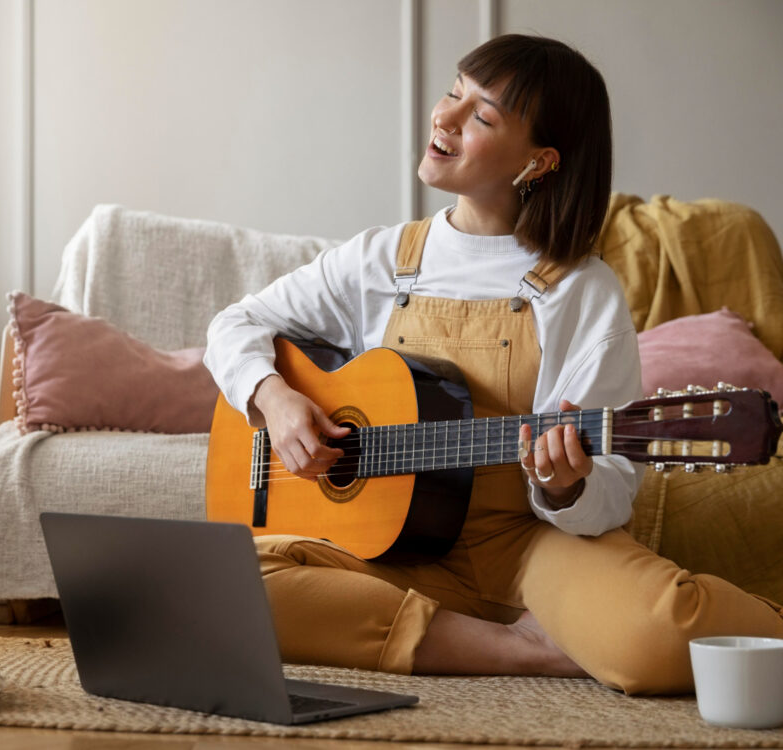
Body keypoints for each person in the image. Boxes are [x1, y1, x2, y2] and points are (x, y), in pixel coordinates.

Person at [203, 34, 783, 695]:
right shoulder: (382, 258)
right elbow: (235, 324)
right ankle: (520, 650)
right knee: (221, 588)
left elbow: (614, 488)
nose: (444, 117)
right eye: (454, 92)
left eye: (480, 115)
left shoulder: (580, 290)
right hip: (392, 549)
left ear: (539, 162)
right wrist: (273, 399)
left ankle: (469, 629)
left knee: (665, 640)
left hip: (527, 545)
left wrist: (565, 486)